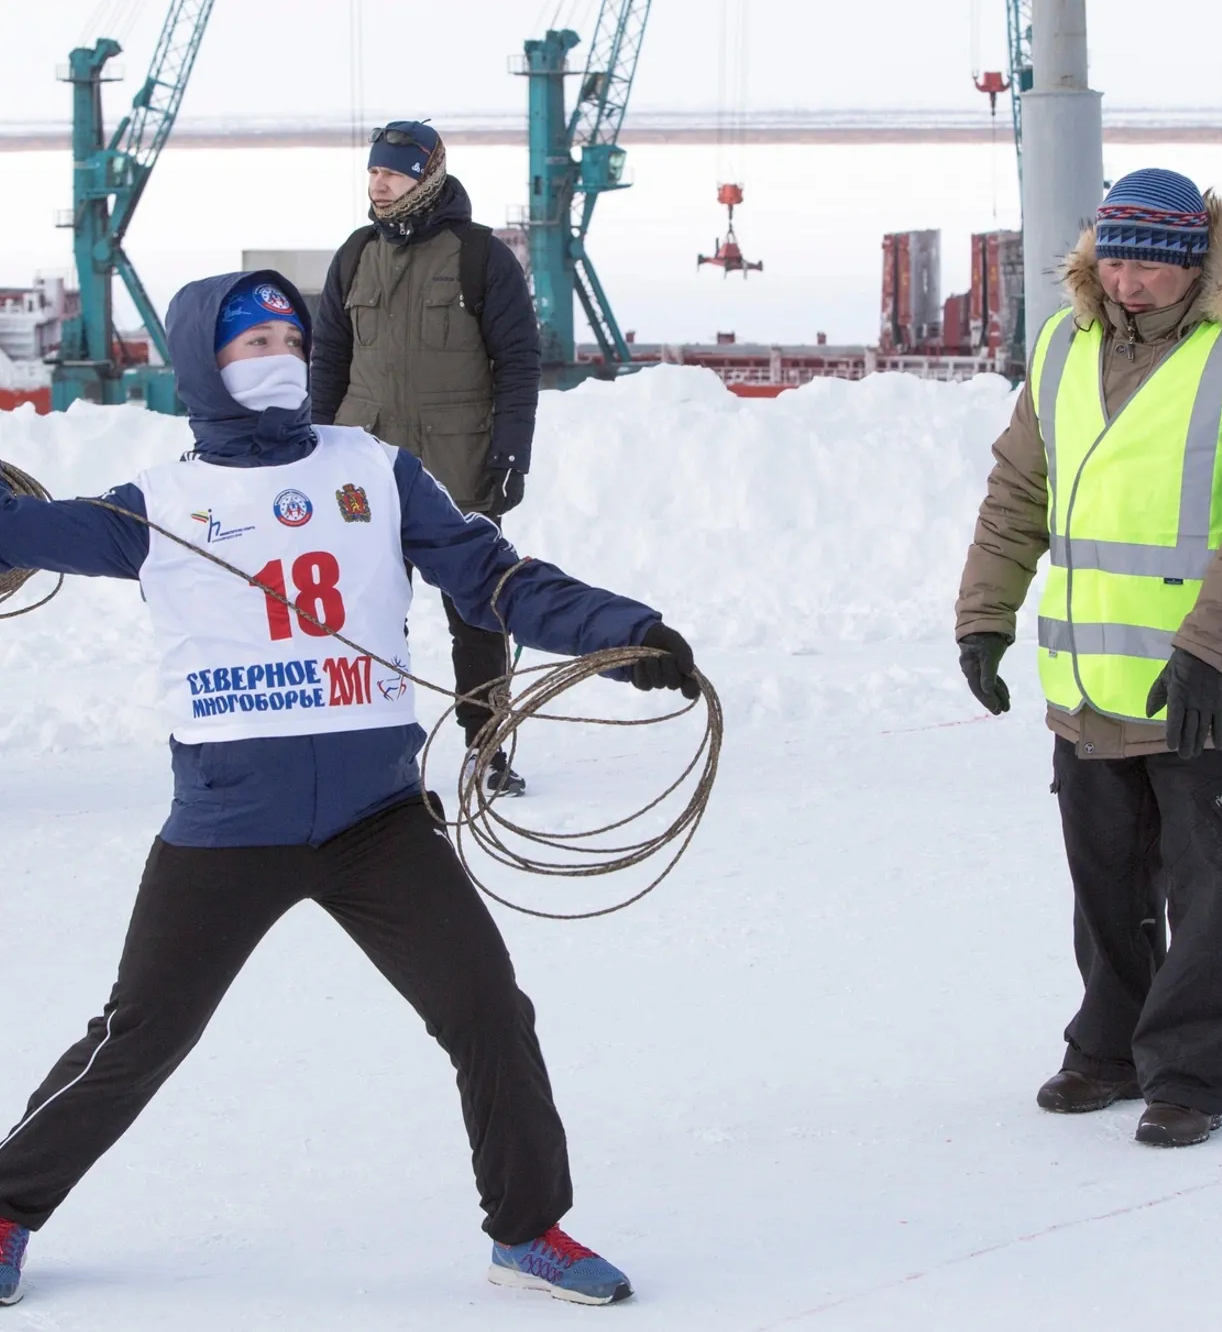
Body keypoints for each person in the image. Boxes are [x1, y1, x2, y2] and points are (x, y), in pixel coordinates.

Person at [0, 271, 700, 1308]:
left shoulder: (375, 470)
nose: (274, 351)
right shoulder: (162, 501)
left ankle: (529, 1227)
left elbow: (494, 579)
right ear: (204, 361)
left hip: (377, 822)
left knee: (487, 1010)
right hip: (229, 825)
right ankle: (10, 1205)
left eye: (288, 332)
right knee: (140, 1033)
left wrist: (618, 629)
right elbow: (26, 531)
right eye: (249, 341)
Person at [954, 169, 1222, 1148]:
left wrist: (1205, 651)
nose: (1125, 281)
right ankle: (1108, 1047)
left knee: (1213, 892)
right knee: (1106, 882)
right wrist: (981, 616)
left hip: (1210, 689)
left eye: (1149, 266)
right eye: (1111, 258)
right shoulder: (1062, 347)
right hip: (1087, 686)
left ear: (1193, 263)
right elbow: (1014, 490)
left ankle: (1189, 1074)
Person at [310, 120, 537, 797]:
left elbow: (518, 362)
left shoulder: (479, 256)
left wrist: (511, 452)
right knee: (368, 608)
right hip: (364, 465)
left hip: (456, 463)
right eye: (374, 171)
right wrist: (314, 449)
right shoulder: (354, 255)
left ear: (427, 174)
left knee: (476, 606)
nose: (378, 182)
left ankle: (486, 745)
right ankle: (371, 747)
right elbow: (330, 360)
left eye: (394, 171)